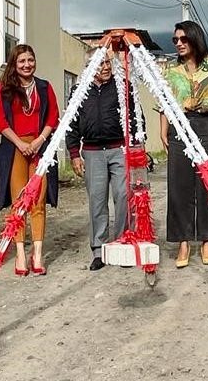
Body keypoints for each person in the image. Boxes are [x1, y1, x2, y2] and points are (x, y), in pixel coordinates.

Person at [160, 20, 208, 268]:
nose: (178, 43)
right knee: (179, 186)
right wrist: (163, 131)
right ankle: (183, 242)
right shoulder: (170, 70)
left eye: (183, 39)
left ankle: (207, 240)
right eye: (175, 40)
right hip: (179, 127)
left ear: (194, 38)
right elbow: (164, 101)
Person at [65, 53, 140, 271]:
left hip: (119, 149)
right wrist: (74, 153)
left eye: (108, 62)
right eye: (100, 64)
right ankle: (99, 249)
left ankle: (122, 243)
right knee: (97, 201)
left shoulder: (122, 86)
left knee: (123, 195)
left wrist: (136, 147)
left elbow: (135, 117)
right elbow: (72, 122)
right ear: (89, 67)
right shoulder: (79, 90)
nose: (105, 67)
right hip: (92, 151)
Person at [0, 44, 60, 276]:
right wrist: (20, 143)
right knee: (18, 202)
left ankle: (37, 252)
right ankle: (20, 252)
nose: (27, 64)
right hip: (15, 148)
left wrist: (39, 140)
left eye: (30, 60)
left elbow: (53, 116)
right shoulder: (5, 89)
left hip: (39, 147)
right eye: (22, 61)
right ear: (14, 63)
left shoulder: (44, 87)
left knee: (38, 201)